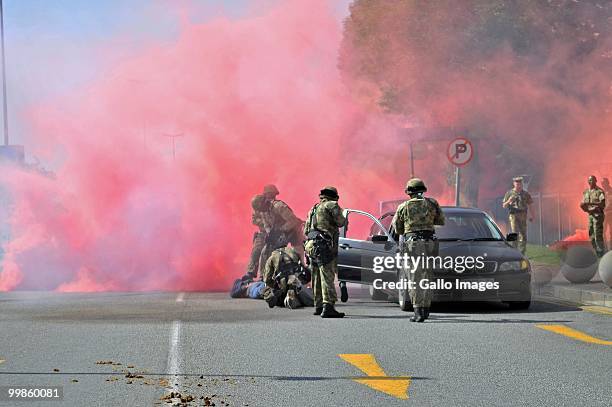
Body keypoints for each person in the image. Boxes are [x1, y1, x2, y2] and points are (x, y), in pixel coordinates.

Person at [392, 178, 444, 322]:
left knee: (414, 278)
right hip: (429, 243)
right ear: (423, 189)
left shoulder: (403, 207)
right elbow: (441, 221)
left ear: (409, 192)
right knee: (427, 277)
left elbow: (398, 228)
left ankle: (418, 312)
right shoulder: (432, 203)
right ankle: (426, 310)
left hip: (412, 244)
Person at [303, 186, 347, 318]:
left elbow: (306, 230)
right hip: (323, 245)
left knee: (316, 276)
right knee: (327, 276)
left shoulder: (313, 208)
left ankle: (318, 305)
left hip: (311, 244)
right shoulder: (331, 205)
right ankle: (328, 306)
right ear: (334, 196)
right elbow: (341, 222)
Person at [262, 241, 313, 309]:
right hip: (295, 280)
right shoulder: (294, 251)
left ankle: (281, 298)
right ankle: (292, 296)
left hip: (282, 284)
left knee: (277, 295)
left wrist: (275, 286)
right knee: (311, 299)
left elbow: (267, 280)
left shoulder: (271, 257)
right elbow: (305, 267)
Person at [262, 184, 305, 260]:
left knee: (298, 253)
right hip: (282, 232)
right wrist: (270, 233)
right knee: (268, 252)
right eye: (266, 194)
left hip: (294, 231)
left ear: (273, 194)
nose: (266, 196)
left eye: (268, 193)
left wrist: (281, 229)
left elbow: (293, 221)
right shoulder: (264, 209)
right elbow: (266, 224)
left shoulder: (279, 206)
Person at [502, 177, 533, 254]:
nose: (518, 185)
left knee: (523, 235)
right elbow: (504, 205)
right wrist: (509, 201)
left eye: (520, 183)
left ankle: (522, 253)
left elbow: (530, 205)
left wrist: (532, 215)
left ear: (522, 184)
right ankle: (514, 252)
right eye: (517, 183)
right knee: (514, 234)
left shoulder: (526, 194)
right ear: (514, 183)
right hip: (513, 215)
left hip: (523, 215)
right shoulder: (509, 193)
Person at [242, 194, 270, 281]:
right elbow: (254, 220)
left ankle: (263, 275)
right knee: (256, 252)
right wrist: (264, 222)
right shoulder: (257, 209)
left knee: (265, 254)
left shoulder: (272, 207)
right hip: (262, 233)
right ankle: (251, 272)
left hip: (273, 234)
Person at [581, 175, 606, 257]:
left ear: (596, 181)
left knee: (597, 234)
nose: (590, 181)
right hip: (590, 215)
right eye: (589, 180)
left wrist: (591, 204)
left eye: (592, 180)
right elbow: (583, 204)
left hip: (598, 215)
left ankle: (601, 252)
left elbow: (602, 204)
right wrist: (586, 209)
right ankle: (597, 251)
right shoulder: (586, 192)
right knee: (591, 235)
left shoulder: (599, 191)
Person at [602, 178, 612, 247]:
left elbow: (610, 203)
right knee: (602, 231)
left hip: (610, 213)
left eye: (603, 184)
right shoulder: (603, 192)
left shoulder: (611, 191)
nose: (602, 185)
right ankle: (605, 247)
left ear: (607, 183)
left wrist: (605, 208)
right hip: (605, 214)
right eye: (602, 184)